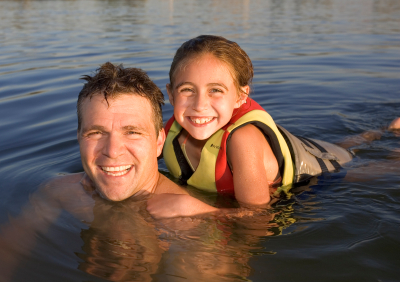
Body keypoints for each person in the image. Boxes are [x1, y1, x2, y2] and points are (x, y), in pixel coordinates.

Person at [0, 62, 213, 281]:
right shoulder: (60, 192)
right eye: (96, 133)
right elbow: (3, 247)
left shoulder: (188, 218)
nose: (112, 151)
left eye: (132, 132)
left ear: (159, 141)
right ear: (79, 137)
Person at [147, 35, 400, 218]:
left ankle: (391, 143)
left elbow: (259, 218)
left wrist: (196, 209)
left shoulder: (243, 139)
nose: (199, 105)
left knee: (371, 171)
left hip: (318, 177)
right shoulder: (169, 134)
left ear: (240, 97)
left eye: (215, 90)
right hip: (304, 148)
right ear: (170, 94)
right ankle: (378, 132)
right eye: (187, 90)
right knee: (335, 147)